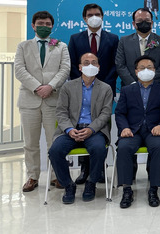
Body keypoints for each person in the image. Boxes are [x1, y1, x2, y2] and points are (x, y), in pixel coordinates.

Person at [14, 10, 70, 192]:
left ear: (52, 26)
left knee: (55, 142)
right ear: (33, 25)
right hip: (29, 100)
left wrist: (50, 86)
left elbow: (65, 69)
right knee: (30, 142)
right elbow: (20, 69)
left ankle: (57, 176)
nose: (44, 27)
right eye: (40, 23)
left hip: (53, 99)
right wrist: (38, 87)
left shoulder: (61, 46)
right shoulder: (23, 46)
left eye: (47, 24)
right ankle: (32, 176)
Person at [48, 53, 112, 204]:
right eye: (86, 63)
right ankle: (68, 185)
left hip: (94, 131)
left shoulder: (106, 88)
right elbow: (61, 112)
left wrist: (91, 129)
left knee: (99, 149)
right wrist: (70, 130)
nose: (90, 66)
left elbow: (105, 113)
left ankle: (91, 182)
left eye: (94, 63)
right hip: (71, 129)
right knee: (54, 151)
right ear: (80, 67)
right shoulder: (67, 87)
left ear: (98, 67)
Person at [67, 3, 119, 185]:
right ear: (84, 18)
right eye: (90, 14)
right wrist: (81, 82)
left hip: (105, 90)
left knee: (101, 127)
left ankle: (99, 169)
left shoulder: (113, 38)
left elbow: (115, 65)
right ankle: (83, 170)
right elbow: (73, 64)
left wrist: (104, 84)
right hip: (81, 90)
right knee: (82, 124)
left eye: (97, 14)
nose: (94, 17)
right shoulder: (75, 38)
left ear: (102, 17)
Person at [115, 55, 160, 208]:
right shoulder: (127, 90)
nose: (146, 70)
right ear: (136, 71)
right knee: (123, 147)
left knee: (158, 147)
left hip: (154, 130)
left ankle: (153, 189)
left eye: (150, 67)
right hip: (132, 131)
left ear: (155, 71)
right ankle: (127, 189)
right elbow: (120, 112)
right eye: (142, 68)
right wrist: (125, 128)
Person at [115, 7, 160, 87]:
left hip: (155, 87)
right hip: (130, 87)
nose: (144, 23)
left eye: (147, 21)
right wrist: (132, 83)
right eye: (140, 21)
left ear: (152, 23)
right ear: (134, 24)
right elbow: (120, 65)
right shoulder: (124, 41)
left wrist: (148, 82)